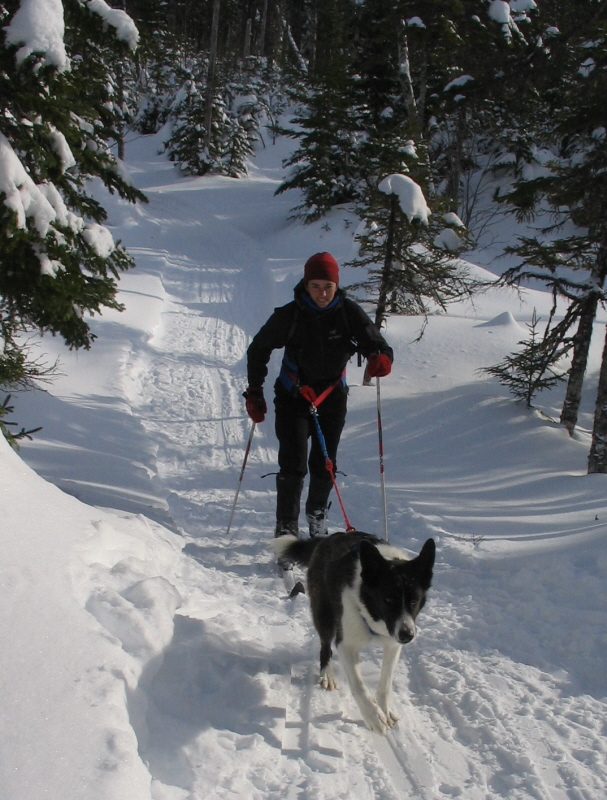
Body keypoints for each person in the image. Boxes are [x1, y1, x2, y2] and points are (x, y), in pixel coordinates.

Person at [244, 252, 393, 540]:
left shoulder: (349, 314)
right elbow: (258, 349)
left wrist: (381, 359)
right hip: (293, 396)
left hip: (331, 396)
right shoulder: (291, 314)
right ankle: (286, 525)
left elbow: (378, 345)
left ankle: (316, 515)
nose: (322, 294)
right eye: (315, 286)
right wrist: (254, 391)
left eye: (328, 286)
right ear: (306, 284)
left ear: (336, 286)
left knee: (325, 460)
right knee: (294, 459)